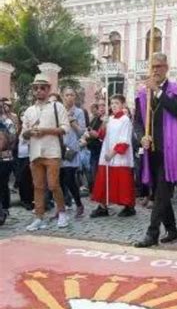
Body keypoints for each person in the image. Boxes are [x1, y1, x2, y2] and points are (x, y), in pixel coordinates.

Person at [134, 53, 177, 248]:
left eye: (159, 66)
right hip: (151, 150)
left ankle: (152, 233)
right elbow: (138, 122)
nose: (155, 70)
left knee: (161, 193)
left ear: (166, 67)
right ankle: (172, 230)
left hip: (170, 150)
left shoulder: (176, 89)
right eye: (152, 66)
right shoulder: (142, 94)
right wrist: (141, 136)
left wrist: (157, 90)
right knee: (159, 192)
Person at [22, 74, 70, 231]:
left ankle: (62, 212)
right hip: (35, 152)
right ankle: (38, 217)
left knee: (54, 184)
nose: (39, 90)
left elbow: (65, 128)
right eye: (36, 88)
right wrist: (30, 132)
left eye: (42, 87)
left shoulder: (57, 107)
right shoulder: (29, 110)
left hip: (52, 151)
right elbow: (22, 134)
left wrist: (45, 130)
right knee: (38, 187)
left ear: (49, 89)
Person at [90, 94, 136, 217]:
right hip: (106, 154)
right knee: (104, 180)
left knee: (122, 182)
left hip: (119, 157)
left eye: (117, 103)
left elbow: (125, 140)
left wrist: (112, 153)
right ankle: (102, 206)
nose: (114, 105)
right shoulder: (109, 118)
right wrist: (104, 123)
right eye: (112, 103)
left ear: (122, 105)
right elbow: (101, 135)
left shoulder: (125, 119)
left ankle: (129, 206)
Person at [59, 87, 86, 218]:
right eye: (67, 95)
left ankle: (79, 204)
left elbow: (81, 132)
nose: (69, 97)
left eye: (72, 95)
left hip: (71, 149)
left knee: (70, 179)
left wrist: (72, 121)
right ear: (62, 96)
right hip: (58, 148)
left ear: (75, 97)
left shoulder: (79, 112)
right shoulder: (58, 110)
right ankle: (61, 208)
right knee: (57, 180)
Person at [0, 105, 17, 225]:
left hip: (5, 158)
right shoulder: (7, 122)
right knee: (3, 185)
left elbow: (12, 139)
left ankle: (3, 210)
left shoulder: (6, 122)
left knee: (3, 185)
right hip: (6, 158)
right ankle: (3, 209)